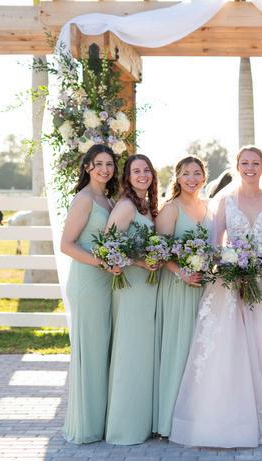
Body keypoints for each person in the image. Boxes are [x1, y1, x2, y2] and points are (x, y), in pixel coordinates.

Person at [170, 146, 262, 448]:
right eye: (245, 163)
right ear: (237, 167)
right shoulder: (225, 201)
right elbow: (215, 245)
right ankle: (227, 421)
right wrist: (230, 266)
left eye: (255, 163)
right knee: (229, 349)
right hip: (230, 284)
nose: (250, 167)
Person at [60, 144, 119, 444]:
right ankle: (87, 424)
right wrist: (101, 262)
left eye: (109, 164)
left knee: (103, 349)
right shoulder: (84, 199)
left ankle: (102, 419)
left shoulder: (107, 199)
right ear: (87, 167)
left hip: (107, 281)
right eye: (99, 164)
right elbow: (66, 245)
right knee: (91, 351)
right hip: (88, 281)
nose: (105, 170)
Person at [152, 156, 210, 438]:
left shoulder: (208, 207)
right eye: (186, 173)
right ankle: (170, 421)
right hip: (177, 287)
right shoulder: (170, 209)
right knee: (179, 349)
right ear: (177, 177)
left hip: (202, 288)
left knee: (199, 351)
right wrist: (182, 273)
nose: (191, 179)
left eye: (197, 173)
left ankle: (196, 416)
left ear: (204, 177)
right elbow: (160, 253)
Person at [105, 154, 160, 445]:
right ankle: (125, 427)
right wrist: (140, 262)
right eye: (136, 171)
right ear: (127, 177)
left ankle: (142, 422)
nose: (142, 175)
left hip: (147, 287)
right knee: (130, 352)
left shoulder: (148, 206)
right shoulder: (126, 206)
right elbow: (108, 246)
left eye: (146, 170)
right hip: (131, 287)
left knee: (143, 353)